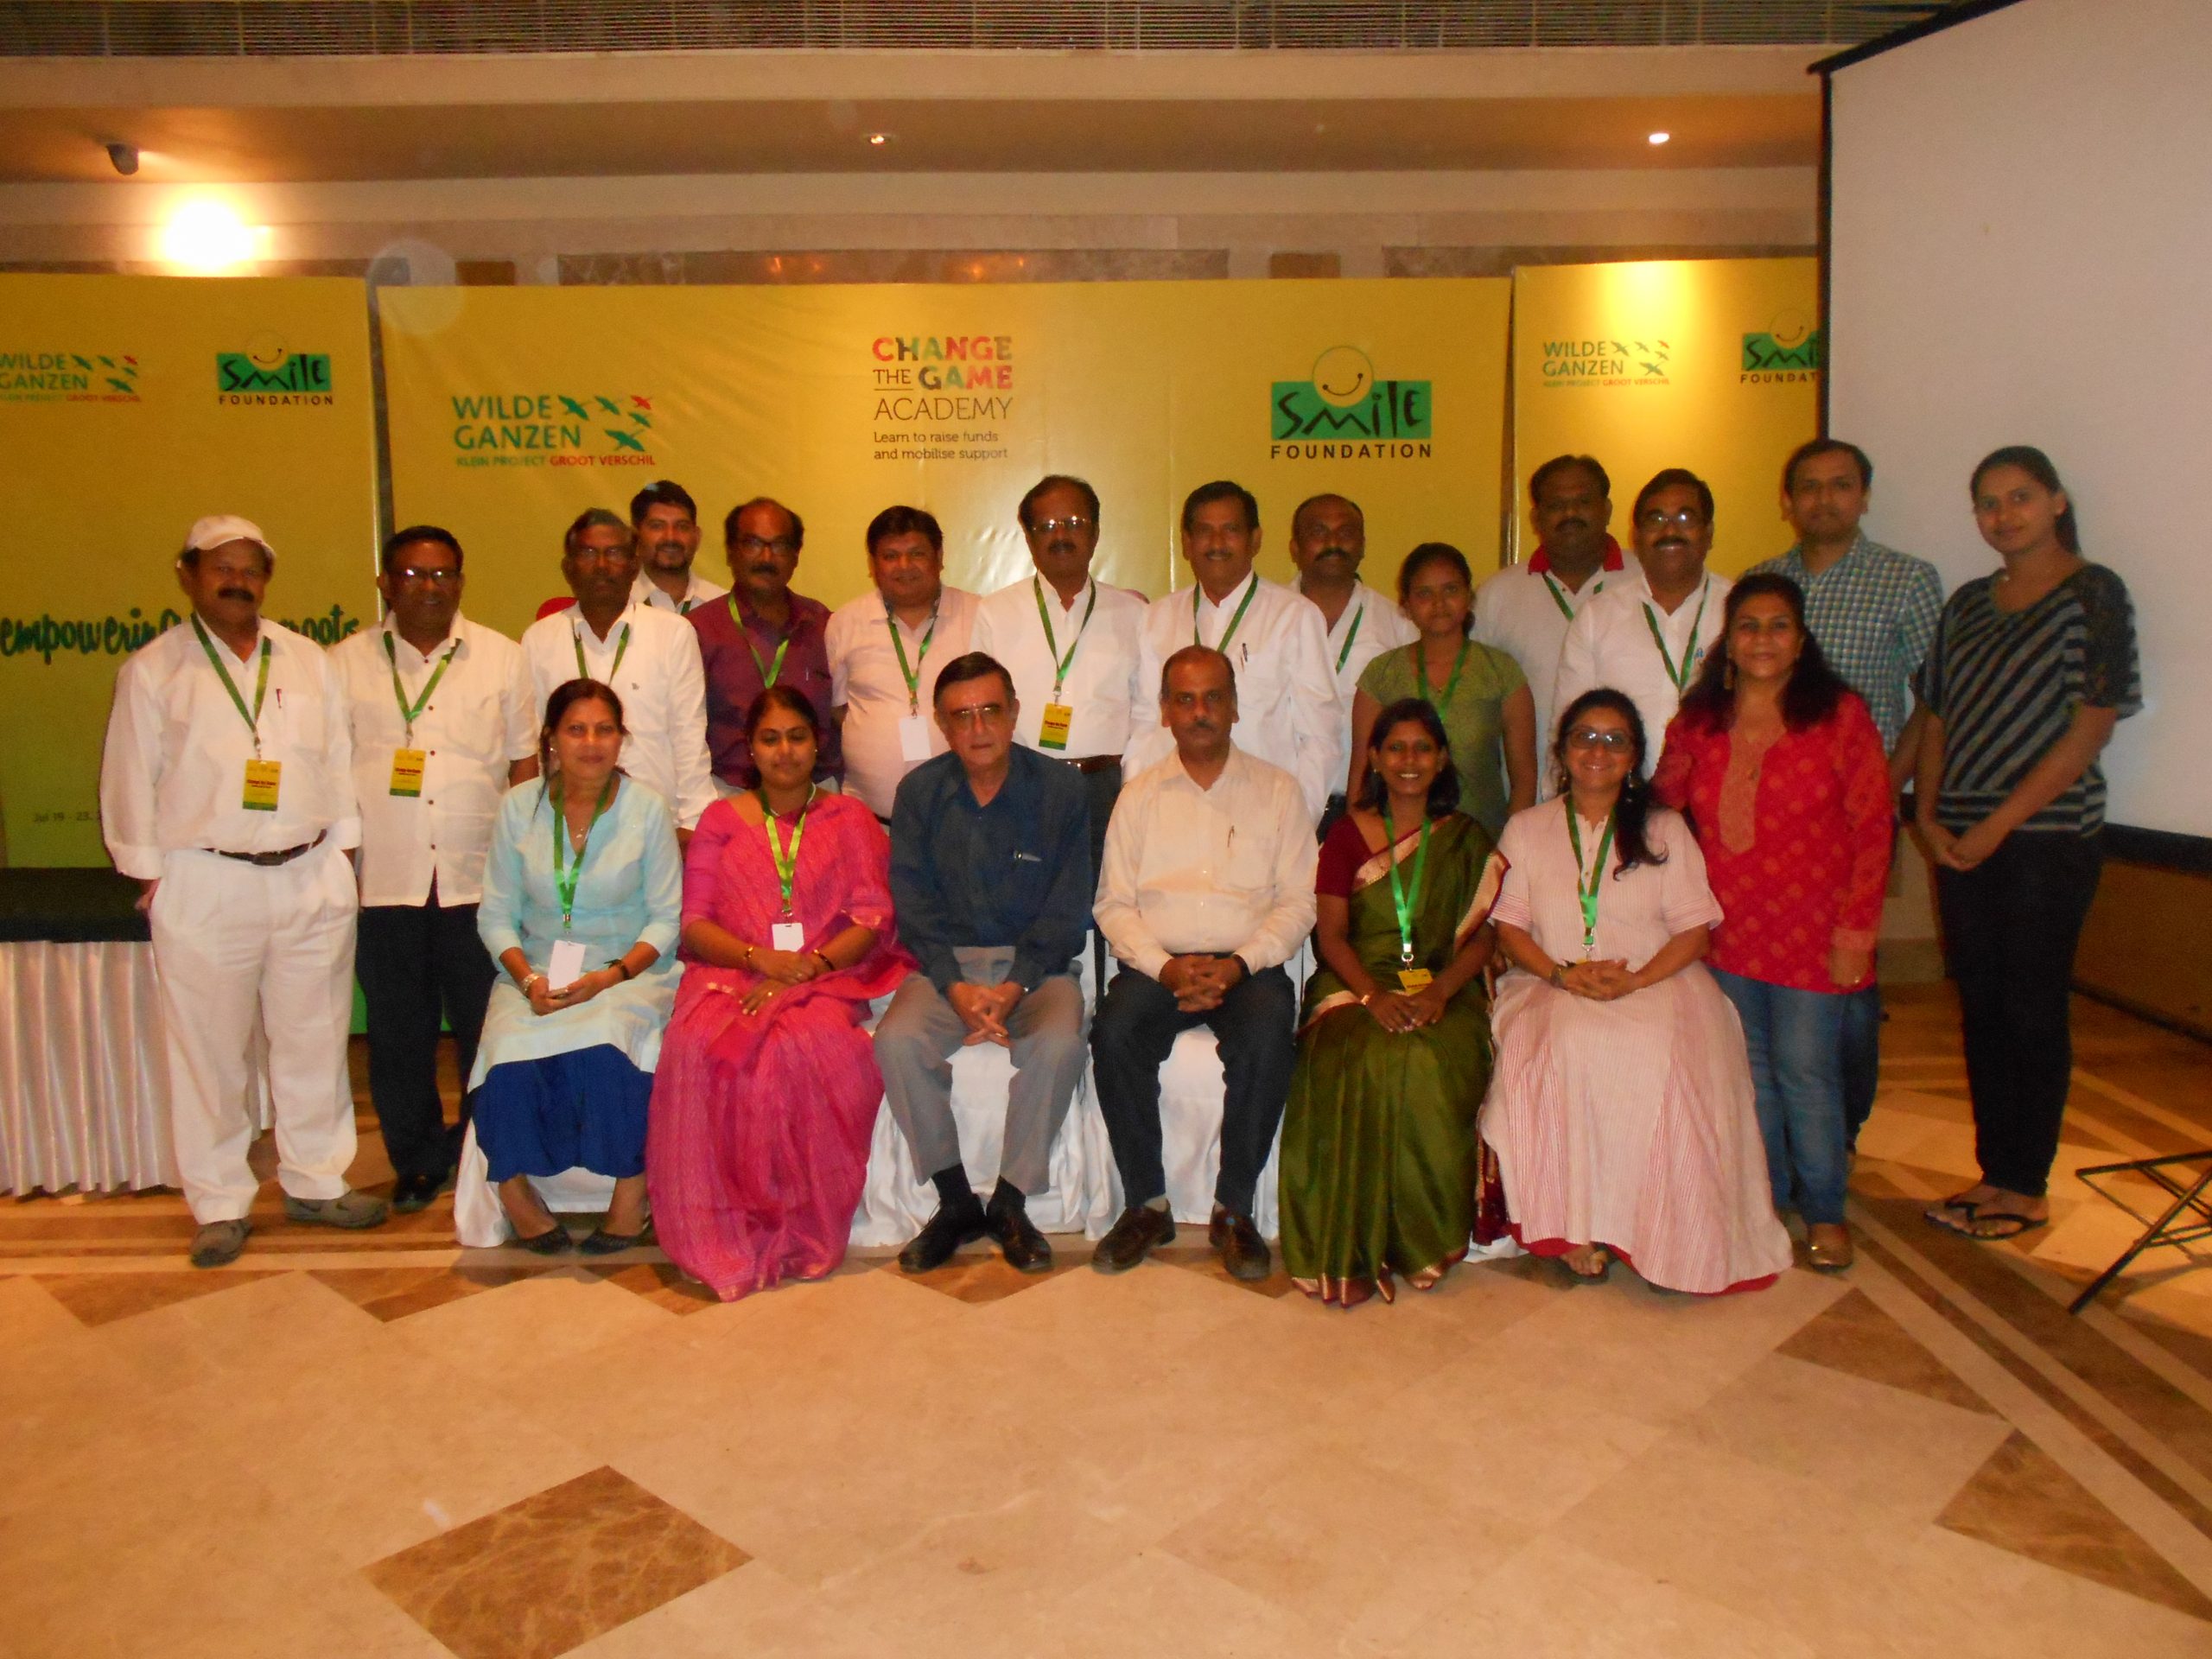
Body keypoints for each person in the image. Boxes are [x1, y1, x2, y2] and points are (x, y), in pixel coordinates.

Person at [99, 514, 385, 1268]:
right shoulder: (153, 670)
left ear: (267, 578)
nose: (237, 581)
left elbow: (339, 760)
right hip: (205, 878)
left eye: (250, 569)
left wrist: (343, 854)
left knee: (315, 1039)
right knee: (210, 1054)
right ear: (188, 574)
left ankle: (316, 1180)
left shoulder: (307, 659)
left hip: (308, 872)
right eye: (221, 567)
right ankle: (221, 1202)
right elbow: (128, 777)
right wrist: (152, 876)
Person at [1482, 689, 1792, 1294]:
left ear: (1633, 758)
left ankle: (1668, 1233)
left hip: (1658, 979)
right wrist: (1561, 974)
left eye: (1615, 740)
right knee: (1562, 1044)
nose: (1598, 751)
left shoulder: (1664, 827)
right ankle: (1575, 1226)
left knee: (1661, 1056)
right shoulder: (1527, 828)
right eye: (1585, 737)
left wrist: (1638, 979)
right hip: (1551, 981)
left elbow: (1695, 931)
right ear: (1562, 750)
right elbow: (1509, 925)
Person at [1916, 446, 2139, 1244]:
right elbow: (1938, 716)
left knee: (2030, 1007)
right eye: (1988, 502)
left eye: (2019, 497)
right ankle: (1994, 1173)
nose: (2003, 515)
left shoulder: (2095, 593)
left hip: (2046, 840)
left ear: (2056, 501)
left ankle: (2026, 1186)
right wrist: (1928, 816)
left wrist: (1997, 823)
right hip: (1959, 837)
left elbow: (2090, 729)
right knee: (1980, 1008)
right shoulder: (1967, 604)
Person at [1654, 575, 1893, 1272]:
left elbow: (1874, 827)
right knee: (1749, 1073)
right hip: (1729, 932)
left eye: (1779, 625)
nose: (1763, 638)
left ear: (1801, 639)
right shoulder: (1700, 721)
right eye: (1749, 625)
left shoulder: (1840, 717)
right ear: (1728, 642)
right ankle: (1765, 1199)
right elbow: (1664, 805)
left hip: (1815, 936)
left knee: (1806, 1073)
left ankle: (1824, 1212)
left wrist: (1857, 933)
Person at [648, 687, 911, 1299]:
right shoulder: (720, 821)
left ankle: (802, 1222)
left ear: (817, 744)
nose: (785, 750)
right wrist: (759, 959)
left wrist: (811, 965)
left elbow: (872, 916)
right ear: (751, 748)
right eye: (770, 739)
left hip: (824, 978)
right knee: (697, 1043)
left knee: (808, 1046)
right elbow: (695, 923)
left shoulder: (849, 818)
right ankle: (723, 1224)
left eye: (796, 736)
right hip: (732, 973)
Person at [1090, 646, 1319, 1280]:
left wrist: (1239, 964)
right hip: (1157, 966)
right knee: (1114, 1033)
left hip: (1247, 967)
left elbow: (1298, 902)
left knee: (1269, 1035)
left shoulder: (1278, 791)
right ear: (1165, 711)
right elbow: (1113, 904)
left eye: (1213, 697)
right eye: (1185, 699)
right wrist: (1164, 967)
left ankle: (1234, 1210)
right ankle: (1147, 1204)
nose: (1200, 712)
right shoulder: (1139, 797)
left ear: (1236, 706)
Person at [334, 525, 538, 1212]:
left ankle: (485, 1151)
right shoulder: (343, 664)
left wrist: (519, 862)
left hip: (477, 880)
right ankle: (418, 1160)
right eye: (414, 575)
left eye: (444, 574)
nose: (431, 587)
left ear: (461, 580)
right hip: (386, 879)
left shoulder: (502, 658)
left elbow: (523, 763)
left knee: (486, 1027)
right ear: (386, 584)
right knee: (399, 1033)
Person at [1748, 438, 1944, 1151]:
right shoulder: (1763, 580)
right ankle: (1780, 1132)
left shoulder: (1906, 579)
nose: (1823, 499)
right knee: (1771, 976)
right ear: (1787, 500)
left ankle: (1843, 1127)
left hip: (1856, 821)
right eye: (1808, 486)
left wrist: (1887, 787)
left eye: (1839, 485)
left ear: (1864, 496)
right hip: (1767, 828)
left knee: (1851, 978)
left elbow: (1936, 696)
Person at [1281, 698, 1506, 1308]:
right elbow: (1330, 937)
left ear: (1443, 759)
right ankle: (1353, 1243)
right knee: (1365, 1054)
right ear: (1375, 759)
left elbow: (1484, 938)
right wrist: (1372, 995)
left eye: (1422, 748)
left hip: (1442, 985)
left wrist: (1439, 992)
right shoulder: (1345, 836)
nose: (1410, 760)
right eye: (1396, 748)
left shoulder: (1464, 837)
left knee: (1428, 1060)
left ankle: (1423, 1240)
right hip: (1354, 982)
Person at [876, 652, 1093, 1274]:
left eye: (990, 711)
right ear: (943, 725)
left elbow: (1068, 906)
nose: (978, 728)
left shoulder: (1061, 790)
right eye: (961, 716)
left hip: (1039, 971)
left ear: (1015, 712)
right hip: (947, 968)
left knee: (1059, 1042)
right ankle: (954, 1202)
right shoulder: (920, 793)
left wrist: (1017, 983)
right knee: (896, 1041)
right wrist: (955, 987)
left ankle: (1010, 1203)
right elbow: (914, 906)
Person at [472, 680, 683, 1254]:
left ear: (621, 738)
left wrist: (609, 977)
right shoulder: (519, 807)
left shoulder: (646, 808)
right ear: (551, 739)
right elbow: (496, 916)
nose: (591, 743)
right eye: (576, 729)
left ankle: (630, 1197)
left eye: (605, 730)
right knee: (506, 1056)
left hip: (627, 973)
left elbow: (666, 920)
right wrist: (528, 981)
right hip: (535, 969)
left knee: (607, 1048)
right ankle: (516, 1195)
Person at [1125, 480, 1343, 824]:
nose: (1217, 543)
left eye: (1231, 530)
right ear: (1186, 543)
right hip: (1172, 814)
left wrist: (1297, 822)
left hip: (1262, 815)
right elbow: (1145, 724)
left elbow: (1320, 737)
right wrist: (1136, 808)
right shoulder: (1157, 618)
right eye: (1204, 531)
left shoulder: (1294, 616)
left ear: (1255, 540)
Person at [969, 474, 1147, 886]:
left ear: (1096, 533)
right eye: (1047, 526)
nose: (1061, 536)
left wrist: (1132, 787)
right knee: (1027, 897)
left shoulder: (1135, 614)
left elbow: (1146, 711)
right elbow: (983, 707)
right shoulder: (995, 612)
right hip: (1023, 784)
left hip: (1106, 789)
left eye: (1074, 523)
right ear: (1029, 539)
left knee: (1107, 898)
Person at [519, 510, 715, 837]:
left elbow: (690, 736)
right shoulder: (539, 640)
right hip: (565, 826)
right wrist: (536, 824)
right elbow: (535, 741)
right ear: (568, 568)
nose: (601, 565)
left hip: (658, 826)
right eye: (588, 553)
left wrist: (693, 823)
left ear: (634, 566)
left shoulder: (673, 633)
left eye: (614, 553)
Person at [1349, 541, 1535, 840]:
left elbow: (1524, 779)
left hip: (1481, 842)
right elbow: (1362, 776)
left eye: (1451, 590)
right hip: (1396, 846)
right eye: (1424, 593)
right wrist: (1364, 849)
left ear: (1469, 597)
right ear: (1406, 605)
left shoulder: (1501, 672)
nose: (1439, 603)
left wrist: (1509, 849)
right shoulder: (1382, 674)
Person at [1554, 468, 1731, 779]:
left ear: (1709, 532)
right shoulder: (1598, 616)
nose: (1670, 530)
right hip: (1622, 797)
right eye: (1656, 519)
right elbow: (1568, 724)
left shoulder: (1739, 613)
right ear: (1636, 537)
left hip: (1717, 794)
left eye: (1685, 518)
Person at [1477, 454, 1635, 766]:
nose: (1570, 514)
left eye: (1583, 502)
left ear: (1606, 510)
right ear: (1536, 518)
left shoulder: (1643, 581)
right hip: (1532, 784)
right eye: (1556, 505)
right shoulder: (1496, 596)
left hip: (1629, 779)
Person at [825, 505, 978, 820]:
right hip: (868, 821)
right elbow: (840, 710)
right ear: (873, 564)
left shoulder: (978, 616)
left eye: (917, 554)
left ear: (939, 557)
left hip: (961, 820)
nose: (904, 566)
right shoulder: (845, 622)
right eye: (890, 556)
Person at [691, 497, 841, 794]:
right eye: (753, 544)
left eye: (780, 545)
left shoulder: (825, 625)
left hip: (816, 794)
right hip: (730, 793)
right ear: (731, 552)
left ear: (796, 556)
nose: (766, 557)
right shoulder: (699, 630)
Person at [1288, 493, 1417, 825]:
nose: (1333, 543)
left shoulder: (1399, 625)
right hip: (1281, 806)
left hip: (1368, 809)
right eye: (1318, 532)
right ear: (1295, 547)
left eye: (1345, 533)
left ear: (1362, 546)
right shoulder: (1268, 620)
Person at [630, 479, 728, 616]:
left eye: (682, 527)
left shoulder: (723, 607)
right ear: (636, 538)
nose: (671, 537)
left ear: (697, 537)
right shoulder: (617, 604)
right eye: (657, 526)